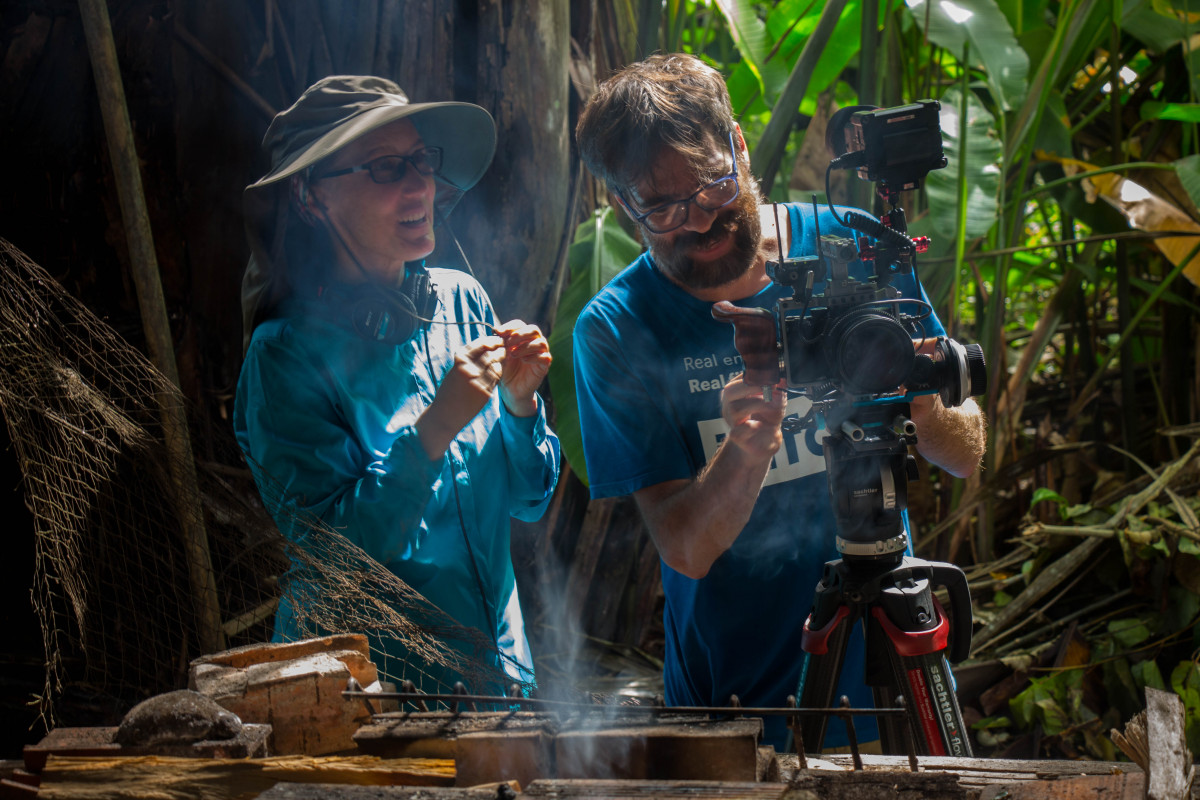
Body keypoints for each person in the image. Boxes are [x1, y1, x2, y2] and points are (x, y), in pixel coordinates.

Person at [572, 54, 985, 750]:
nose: (700, 222)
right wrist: (748, 444)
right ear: (621, 205)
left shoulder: (855, 245)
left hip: (894, 673)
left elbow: (969, 453)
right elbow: (685, 550)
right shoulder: (616, 329)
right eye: (663, 208)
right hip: (736, 714)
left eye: (712, 187)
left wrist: (913, 397)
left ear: (737, 143)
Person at [234, 75, 560, 694]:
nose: (421, 186)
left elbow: (529, 500)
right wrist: (436, 426)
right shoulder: (284, 359)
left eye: (421, 160)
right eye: (386, 168)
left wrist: (521, 404)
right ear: (310, 197)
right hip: (368, 701)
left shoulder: (462, 298)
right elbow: (337, 562)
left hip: (501, 684)